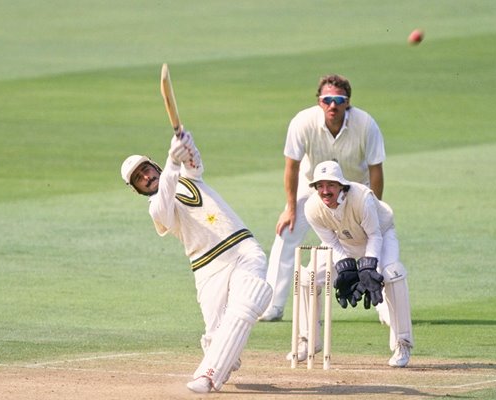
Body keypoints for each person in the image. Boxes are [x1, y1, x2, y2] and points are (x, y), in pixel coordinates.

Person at [120, 130, 272, 393]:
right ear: (136, 189)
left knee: (247, 302)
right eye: (138, 178)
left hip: (242, 249)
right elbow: (166, 192)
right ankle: (223, 351)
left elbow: (194, 160)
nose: (145, 177)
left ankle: (207, 375)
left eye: (145, 169)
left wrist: (185, 142)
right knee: (216, 334)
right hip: (207, 268)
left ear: (152, 165)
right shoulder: (156, 208)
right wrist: (171, 161)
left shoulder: (190, 176)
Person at [261, 74, 387, 322]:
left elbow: (376, 170)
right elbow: (292, 166)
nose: (333, 105)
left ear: (347, 102)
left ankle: (383, 307)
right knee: (286, 232)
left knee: (373, 240)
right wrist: (290, 207)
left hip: (355, 191)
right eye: (327, 99)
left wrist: (374, 207)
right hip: (315, 189)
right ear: (319, 101)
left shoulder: (366, 124)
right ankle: (272, 306)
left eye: (339, 100)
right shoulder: (303, 122)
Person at [289, 160, 413, 367]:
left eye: (330, 185)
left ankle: (402, 343)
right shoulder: (312, 207)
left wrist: (367, 266)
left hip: (380, 236)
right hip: (344, 242)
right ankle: (308, 340)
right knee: (307, 277)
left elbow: (374, 235)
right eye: (320, 186)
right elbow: (330, 241)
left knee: (393, 274)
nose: (325, 191)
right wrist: (345, 266)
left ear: (341, 186)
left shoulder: (362, 198)